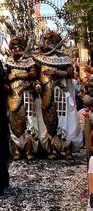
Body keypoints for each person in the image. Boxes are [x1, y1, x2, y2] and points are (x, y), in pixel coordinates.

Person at [34, 31, 83, 159]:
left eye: (50, 41)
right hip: (46, 94)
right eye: (46, 41)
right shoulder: (40, 58)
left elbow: (71, 73)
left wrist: (56, 72)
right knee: (50, 121)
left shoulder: (64, 57)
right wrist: (37, 83)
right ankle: (53, 149)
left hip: (62, 93)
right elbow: (35, 74)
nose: (47, 43)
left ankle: (67, 149)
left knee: (65, 120)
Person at [5, 37, 43, 160]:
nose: (16, 50)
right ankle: (16, 151)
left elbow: (33, 74)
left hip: (27, 94)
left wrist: (17, 75)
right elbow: (5, 76)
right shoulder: (9, 61)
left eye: (19, 48)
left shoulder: (29, 61)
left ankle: (29, 150)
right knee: (14, 122)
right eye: (14, 48)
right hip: (12, 94)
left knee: (29, 122)